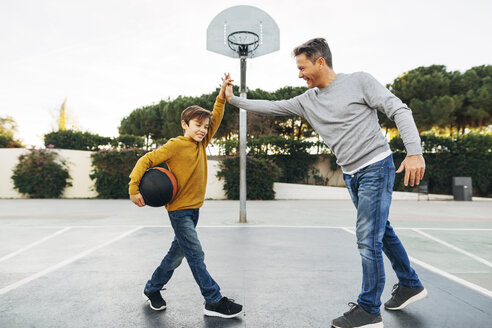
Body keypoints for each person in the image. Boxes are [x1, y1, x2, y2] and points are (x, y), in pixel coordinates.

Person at [225, 38, 427, 328]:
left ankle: (369, 309)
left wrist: (415, 151)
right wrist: (232, 100)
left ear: (320, 62)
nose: (299, 74)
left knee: (367, 239)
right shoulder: (306, 101)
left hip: (376, 167)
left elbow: (399, 109)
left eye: (302, 67)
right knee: (381, 232)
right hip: (351, 174)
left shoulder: (359, 81)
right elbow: (270, 106)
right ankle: (410, 284)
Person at [129, 73, 242, 319]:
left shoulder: (202, 143)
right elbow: (146, 159)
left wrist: (222, 94)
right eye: (197, 125)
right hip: (179, 212)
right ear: (185, 124)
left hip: (194, 210)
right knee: (195, 255)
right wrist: (133, 188)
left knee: (176, 256)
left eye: (204, 126)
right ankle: (213, 300)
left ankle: (152, 288)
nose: (202, 130)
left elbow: (217, 117)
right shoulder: (175, 145)